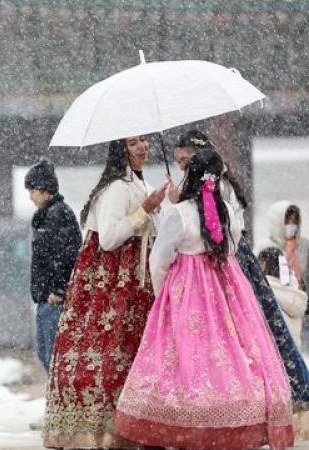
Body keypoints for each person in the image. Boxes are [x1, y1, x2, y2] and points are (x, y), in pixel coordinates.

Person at [114, 148, 294, 450]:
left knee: (186, 355)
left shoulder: (179, 213)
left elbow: (159, 260)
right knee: (230, 350)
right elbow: (233, 246)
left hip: (186, 292)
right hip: (226, 287)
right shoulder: (225, 208)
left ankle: (188, 419)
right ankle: (231, 412)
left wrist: (164, 297)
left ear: (190, 175)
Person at [166, 129, 309, 411]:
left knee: (256, 326)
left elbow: (214, 225)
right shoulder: (209, 182)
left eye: (186, 159)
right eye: (178, 160)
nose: (182, 166)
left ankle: (284, 393)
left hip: (228, 258)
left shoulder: (217, 184)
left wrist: (180, 201)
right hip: (221, 257)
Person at [42, 135, 166, 449]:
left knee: (131, 353)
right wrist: (145, 210)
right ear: (120, 150)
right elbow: (109, 239)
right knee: (107, 354)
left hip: (135, 283)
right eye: (133, 142)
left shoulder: (140, 184)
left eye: (144, 140)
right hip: (110, 285)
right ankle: (101, 429)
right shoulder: (115, 190)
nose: (143, 147)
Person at [24, 160, 82, 374]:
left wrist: (59, 290)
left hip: (55, 300)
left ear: (43, 189)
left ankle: (60, 403)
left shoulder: (58, 215)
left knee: (53, 357)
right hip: (47, 297)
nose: (30, 196)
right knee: (46, 354)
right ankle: (58, 401)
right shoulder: (48, 215)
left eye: (32, 190)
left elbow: (66, 255)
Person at [259, 247, 308, 346]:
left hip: (274, 350)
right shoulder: (294, 289)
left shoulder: (264, 290)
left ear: (263, 263)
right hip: (294, 351)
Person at [259, 201, 309, 292]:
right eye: (287, 222)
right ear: (278, 223)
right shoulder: (265, 247)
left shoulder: (304, 246)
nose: (291, 226)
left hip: (300, 297)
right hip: (276, 295)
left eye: (294, 222)